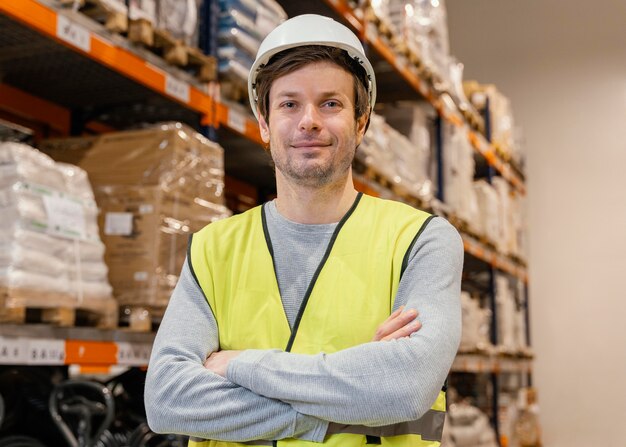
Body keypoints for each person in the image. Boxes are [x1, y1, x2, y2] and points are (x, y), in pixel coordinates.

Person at [145, 13, 462, 447]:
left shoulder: (421, 241)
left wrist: (241, 365)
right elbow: (168, 399)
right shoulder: (211, 249)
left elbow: (403, 389)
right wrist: (347, 401)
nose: (308, 121)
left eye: (330, 104)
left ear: (361, 122)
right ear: (264, 123)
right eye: (289, 104)